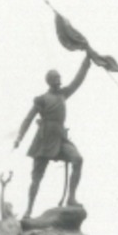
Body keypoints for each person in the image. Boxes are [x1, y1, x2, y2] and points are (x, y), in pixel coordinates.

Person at [14, 52, 93, 214]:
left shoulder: (63, 94)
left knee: (77, 159)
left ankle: (71, 197)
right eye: (55, 78)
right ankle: (28, 210)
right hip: (44, 140)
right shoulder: (42, 99)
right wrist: (19, 137)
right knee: (36, 178)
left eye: (59, 78)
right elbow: (28, 119)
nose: (59, 80)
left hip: (60, 137)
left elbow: (77, 82)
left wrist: (86, 62)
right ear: (50, 81)